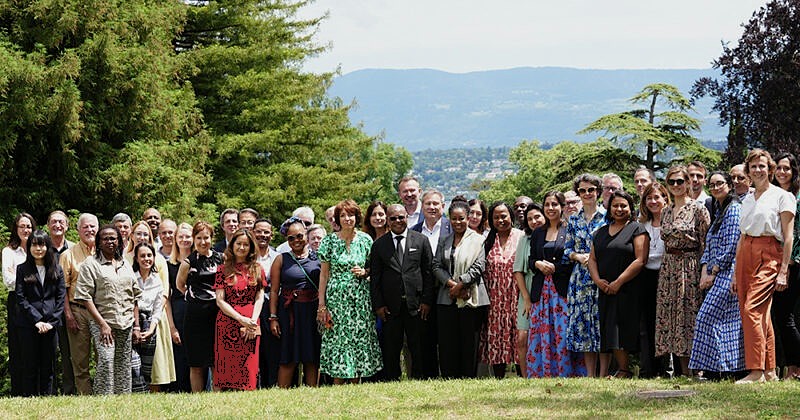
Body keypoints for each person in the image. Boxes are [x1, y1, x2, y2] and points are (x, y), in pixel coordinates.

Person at [735, 149, 795, 384]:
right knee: (759, 314)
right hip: (745, 253)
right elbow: (742, 235)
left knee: (752, 309)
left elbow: (788, 237)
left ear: (769, 169)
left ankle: (755, 371)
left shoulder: (782, 196)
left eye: (762, 166)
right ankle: (769, 370)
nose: (757, 170)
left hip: (770, 253)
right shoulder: (748, 198)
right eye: (753, 167)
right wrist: (733, 274)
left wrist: (783, 271)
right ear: (748, 171)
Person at [688, 171, 745, 378]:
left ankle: (719, 370)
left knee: (706, 318)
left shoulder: (734, 210)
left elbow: (731, 245)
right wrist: (705, 269)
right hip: (717, 272)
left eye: (719, 183)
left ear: (729, 185)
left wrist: (713, 271)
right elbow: (710, 245)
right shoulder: (720, 211)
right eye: (711, 185)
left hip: (727, 272)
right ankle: (722, 370)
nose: (715, 187)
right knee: (724, 324)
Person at [320, 200, 383, 383]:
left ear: (357, 217)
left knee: (359, 338)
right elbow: (324, 275)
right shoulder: (329, 241)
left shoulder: (365, 240)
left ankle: (357, 383)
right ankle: (338, 384)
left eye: (351, 215)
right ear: (338, 219)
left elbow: (374, 269)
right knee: (338, 339)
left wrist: (365, 272)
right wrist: (322, 305)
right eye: (343, 215)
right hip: (336, 299)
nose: (347, 219)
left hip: (361, 299)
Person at [655, 165, 710, 377]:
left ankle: (696, 369)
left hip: (690, 265)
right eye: (672, 182)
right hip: (669, 267)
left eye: (680, 181)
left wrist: (705, 271)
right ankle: (680, 369)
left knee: (689, 316)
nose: (676, 185)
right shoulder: (666, 211)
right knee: (672, 317)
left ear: (688, 183)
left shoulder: (698, 208)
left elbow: (706, 243)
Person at [522, 192, 584, 377]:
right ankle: (542, 372)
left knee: (563, 332)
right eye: (547, 204)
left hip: (562, 290)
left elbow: (573, 259)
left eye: (555, 204)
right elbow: (531, 260)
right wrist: (538, 264)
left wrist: (555, 267)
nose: (550, 208)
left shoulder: (569, 229)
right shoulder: (538, 232)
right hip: (541, 292)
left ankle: (567, 372)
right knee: (542, 332)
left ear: (562, 206)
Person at [588, 191, 649, 378]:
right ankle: (623, 370)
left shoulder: (637, 229)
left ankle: (640, 369)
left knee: (629, 329)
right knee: (611, 329)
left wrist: (619, 282)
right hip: (606, 289)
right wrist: (598, 281)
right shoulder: (599, 233)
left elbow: (641, 259)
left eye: (624, 206)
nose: (619, 209)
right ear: (609, 208)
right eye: (615, 205)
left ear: (631, 208)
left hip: (629, 288)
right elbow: (592, 259)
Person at [74, 225, 141, 395]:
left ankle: (122, 400)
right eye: (105, 238)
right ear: (98, 242)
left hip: (125, 323)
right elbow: (85, 297)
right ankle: (103, 399)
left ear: (119, 241)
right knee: (106, 360)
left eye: (113, 238)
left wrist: (136, 325)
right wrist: (103, 325)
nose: (110, 241)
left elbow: (134, 296)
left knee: (123, 364)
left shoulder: (125, 263)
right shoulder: (91, 264)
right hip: (102, 323)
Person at [370, 203, 432, 381]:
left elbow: (427, 273)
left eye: (401, 217)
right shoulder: (379, 245)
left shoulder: (420, 240)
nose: (398, 220)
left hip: (416, 305)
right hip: (390, 307)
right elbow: (375, 278)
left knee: (418, 346)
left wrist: (426, 301)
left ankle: (419, 378)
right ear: (388, 221)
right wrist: (379, 305)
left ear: (407, 217)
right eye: (393, 218)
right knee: (391, 347)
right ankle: (392, 380)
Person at [432, 197, 488, 378]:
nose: (458, 222)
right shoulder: (444, 241)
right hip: (446, 297)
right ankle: (449, 376)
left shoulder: (479, 240)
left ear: (468, 217)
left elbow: (479, 267)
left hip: (471, 297)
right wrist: (453, 286)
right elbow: (436, 266)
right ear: (449, 218)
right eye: (454, 218)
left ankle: (468, 376)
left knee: (469, 341)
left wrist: (462, 284)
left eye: (461, 218)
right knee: (448, 341)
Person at [269, 218, 321, 388]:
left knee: (312, 355)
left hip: (312, 311)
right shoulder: (281, 259)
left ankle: (313, 393)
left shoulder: (318, 258)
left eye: (299, 236)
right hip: (289, 312)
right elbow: (274, 291)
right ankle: (283, 393)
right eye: (291, 238)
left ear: (306, 235)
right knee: (288, 356)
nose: (296, 240)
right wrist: (273, 317)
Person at [564, 173, 608, 377]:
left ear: (598, 192)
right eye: (583, 190)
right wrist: (577, 256)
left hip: (603, 275)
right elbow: (566, 249)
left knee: (602, 324)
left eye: (591, 190)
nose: (587, 193)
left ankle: (604, 372)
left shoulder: (607, 216)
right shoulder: (574, 220)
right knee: (585, 328)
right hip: (580, 279)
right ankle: (590, 375)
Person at [124, 220, 175, 390]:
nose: (141, 237)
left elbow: (164, 291)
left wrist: (153, 323)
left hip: (155, 316)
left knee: (152, 366)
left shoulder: (159, 260)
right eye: (138, 233)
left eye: (145, 234)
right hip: (130, 317)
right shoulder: (124, 257)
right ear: (132, 235)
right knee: (133, 365)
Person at [213, 229, 266, 391]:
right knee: (225, 368)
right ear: (232, 245)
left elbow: (260, 297)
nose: (242, 247)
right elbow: (220, 300)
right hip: (228, 323)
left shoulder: (257, 268)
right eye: (238, 244)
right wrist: (239, 318)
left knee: (248, 366)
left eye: (246, 244)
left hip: (251, 322)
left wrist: (252, 321)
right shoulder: (222, 269)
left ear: (251, 247)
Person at [14, 230, 65, 396]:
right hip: (28, 325)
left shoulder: (57, 269)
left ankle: (46, 398)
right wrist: (37, 320)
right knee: (29, 365)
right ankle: (29, 398)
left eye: (42, 244)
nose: (38, 248)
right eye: (34, 244)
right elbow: (21, 299)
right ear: (29, 248)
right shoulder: (22, 269)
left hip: (51, 325)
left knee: (48, 366)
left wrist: (51, 323)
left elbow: (60, 298)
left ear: (47, 247)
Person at [176, 221, 224, 392]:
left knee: (216, 359)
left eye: (206, 237)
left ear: (212, 238)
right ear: (194, 239)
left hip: (217, 314)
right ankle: (197, 396)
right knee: (196, 362)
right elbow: (180, 285)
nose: (203, 242)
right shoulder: (188, 263)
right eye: (199, 238)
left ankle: (217, 395)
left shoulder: (221, 258)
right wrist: (196, 298)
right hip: (194, 316)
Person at [480, 201, 525, 379]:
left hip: (517, 296)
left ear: (511, 216)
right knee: (497, 337)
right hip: (495, 300)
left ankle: (523, 375)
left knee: (519, 337)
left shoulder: (521, 237)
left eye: (504, 216)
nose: (500, 220)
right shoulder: (488, 240)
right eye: (496, 217)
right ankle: (498, 377)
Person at [59, 213, 98, 395]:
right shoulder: (68, 255)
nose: (90, 230)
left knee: (103, 357)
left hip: (100, 312)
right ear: (78, 230)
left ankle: (102, 393)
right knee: (80, 360)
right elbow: (62, 289)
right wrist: (68, 315)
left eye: (93, 226)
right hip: (78, 310)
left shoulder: (104, 251)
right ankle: (85, 397)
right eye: (86, 227)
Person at [771, 152, 800, 379]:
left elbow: (796, 235)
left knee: (785, 316)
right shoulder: (773, 195)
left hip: (793, 263)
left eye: (786, 168)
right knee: (779, 316)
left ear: (794, 171)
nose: (782, 172)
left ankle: (794, 367)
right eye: (779, 168)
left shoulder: (797, 196)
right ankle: (790, 367)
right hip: (773, 260)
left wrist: (788, 263)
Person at [637, 182, 669, 378]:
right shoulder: (642, 225)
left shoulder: (671, 221)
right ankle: (648, 369)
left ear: (665, 198)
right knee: (647, 323)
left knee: (665, 322)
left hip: (666, 274)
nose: (653, 201)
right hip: (646, 276)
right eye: (649, 198)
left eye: (657, 197)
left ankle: (666, 368)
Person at [3, 212, 35, 396]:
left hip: (38, 300)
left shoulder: (39, 249)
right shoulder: (9, 252)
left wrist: (21, 276)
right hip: (17, 302)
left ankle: (36, 391)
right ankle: (19, 393)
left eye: (29, 226)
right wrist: (31, 279)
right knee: (19, 349)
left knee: (36, 347)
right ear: (16, 229)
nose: (26, 229)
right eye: (22, 226)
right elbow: (9, 281)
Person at [513, 203, 545, 377]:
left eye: (537, 217)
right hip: (527, 292)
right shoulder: (525, 240)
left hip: (548, 293)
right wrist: (526, 298)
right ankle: (526, 376)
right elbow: (518, 270)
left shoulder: (553, 236)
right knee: (523, 337)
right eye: (530, 219)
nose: (534, 221)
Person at [47, 210, 75, 394]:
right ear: (48, 225)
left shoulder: (73, 249)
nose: (58, 225)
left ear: (67, 226)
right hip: (46, 307)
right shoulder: (41, 246)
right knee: (48, 352)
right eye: (54, 222)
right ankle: (48, 390)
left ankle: (68, 390)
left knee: (68, 352)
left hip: (68, 307)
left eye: (61, 222)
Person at [131, 242, 165, 392]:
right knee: (134, 366)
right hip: (132, 322)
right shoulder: (130, 277)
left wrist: (151, 329)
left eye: (149, 255)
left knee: (146, 369)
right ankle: (138, 395)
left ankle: (142, 399)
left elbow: (158, 309)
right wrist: (135, 326)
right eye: (142, 256)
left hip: (149, 324)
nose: (146, 259)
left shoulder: (157, 280)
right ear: (136, 259)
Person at [253, 218, 280, 388]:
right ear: (253, 232)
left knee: (271, 350)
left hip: (271, 305)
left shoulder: (277, 256)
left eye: (266, 232)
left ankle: (271, 385)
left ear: (271, 235)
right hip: (250, 306)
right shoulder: (245, 254)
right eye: (259, 231)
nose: (262, 235)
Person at [166, 222, 193, 392]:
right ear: (175, 240)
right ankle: (180, 391)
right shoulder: (168, 265)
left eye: (187, 236)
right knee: (180, 356)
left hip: (198, 312)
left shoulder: (200, 261)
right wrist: (172, 327)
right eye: (180, 237)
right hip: (177, 313)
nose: (184, 240)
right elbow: (166, 298)